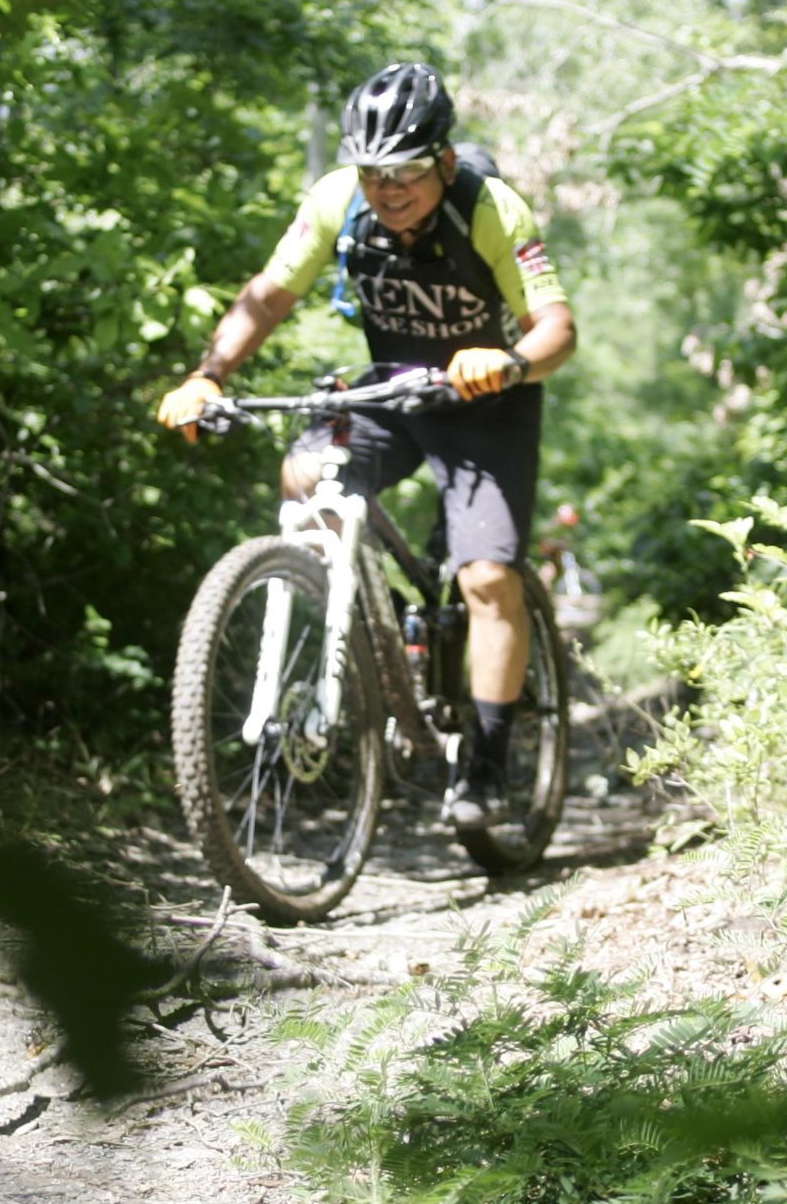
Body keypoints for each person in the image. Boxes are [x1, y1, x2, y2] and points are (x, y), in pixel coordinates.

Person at [154, 62, 578, 828]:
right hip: (390, 389)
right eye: (374, 170)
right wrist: (207, 375)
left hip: (485, 402)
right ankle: (354, 618)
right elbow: (268, 295)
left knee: (485, 577)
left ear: (444, 162)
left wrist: (509, 360)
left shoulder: (491, 209)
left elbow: (557, 328)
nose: (388, 189)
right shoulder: (336, 201)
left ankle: (485, 763)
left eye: (408, 170)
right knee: (303, 473)